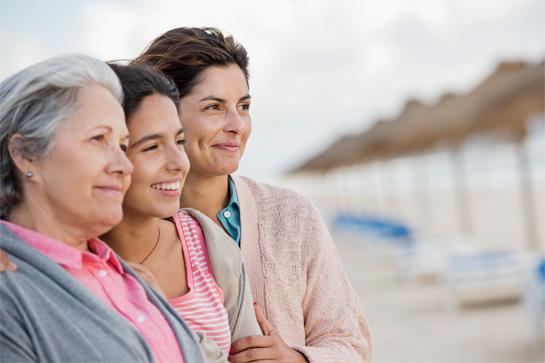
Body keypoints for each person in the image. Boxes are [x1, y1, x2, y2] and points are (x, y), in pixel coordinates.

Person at [133, 27, 373, 362]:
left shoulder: (292, 215)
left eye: (243, 106)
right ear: (164, 113)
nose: (237, 125)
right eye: (214, 107)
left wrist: (298, 359)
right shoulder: (132, 232)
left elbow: (352, 341)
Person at [0, 54, 205, 362]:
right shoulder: (10, 288)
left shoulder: (124, 275)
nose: (123, 165)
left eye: (122, 145)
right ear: (26, 155)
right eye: (98, 139)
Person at [102, 63, 261, 361]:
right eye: (151, 147)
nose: (179, 162)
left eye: (178, 141)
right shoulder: (72, 262)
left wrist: (161, 317)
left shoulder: (208, 244)